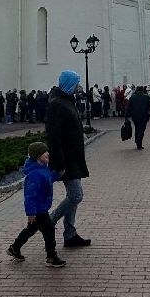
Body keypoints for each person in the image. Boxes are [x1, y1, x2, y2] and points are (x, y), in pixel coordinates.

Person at [46, 69, 91, 248]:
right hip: (67, 161)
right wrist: (59, 163)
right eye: (76, 83)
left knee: (73, 196)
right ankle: (49, 222)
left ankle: (70, 235)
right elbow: (54, 137)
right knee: (76, 196)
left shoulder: (66, 101)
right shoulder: (57, 104)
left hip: (74, 159)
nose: (78, 87)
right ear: (69, 84)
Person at [8, 141, 66, 267]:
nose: (48, 154)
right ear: (37, 156)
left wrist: (57, 175)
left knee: (31, 229)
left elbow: (48, 177)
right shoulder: (34, 174)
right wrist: (31, 213)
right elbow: (30, 196)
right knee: (49, 229)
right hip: (38, 210)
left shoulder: (42, 168)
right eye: (44, 152)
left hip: (41, 208)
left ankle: (14, 248)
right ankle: (51, 256)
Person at [127, 85, 150, 150]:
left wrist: (127, 115)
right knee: (142, 129)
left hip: (135, 116)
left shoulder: (132, 97)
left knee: (137, 128)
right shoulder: (146, 97)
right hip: (144, 116)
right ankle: (139, 142)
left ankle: (137, 140)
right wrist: (147, 108)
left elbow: (128, 107)